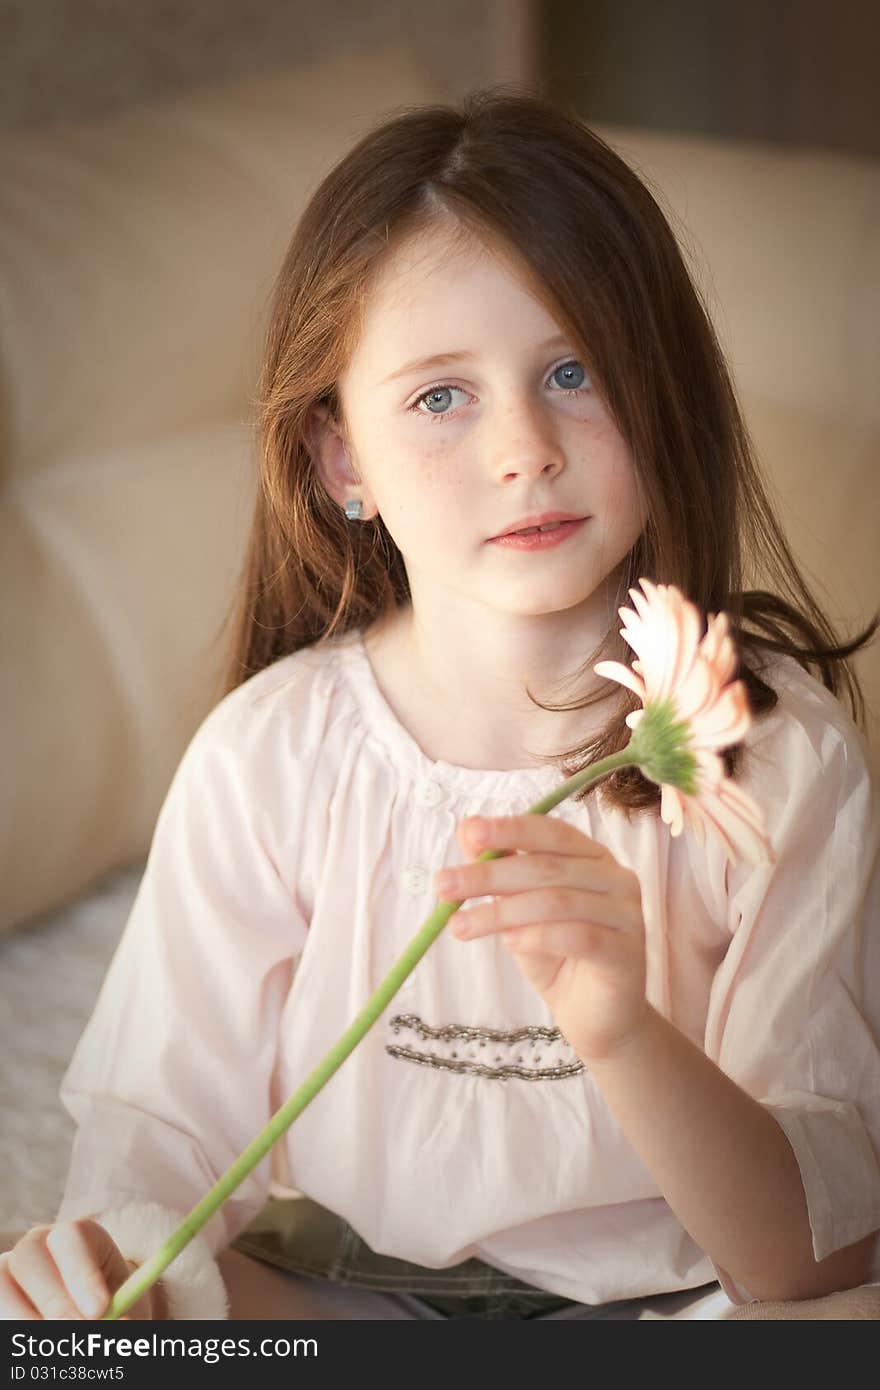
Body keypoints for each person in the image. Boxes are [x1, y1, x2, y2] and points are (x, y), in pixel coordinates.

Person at [2, 85, 879, 1323]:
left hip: (669, 1305)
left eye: (574, 369)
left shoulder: (770, 758)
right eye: (439, 396)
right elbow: (154, 1157)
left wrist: (620, 1027)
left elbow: (810, 1259)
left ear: (664, 389)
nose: (524, 445)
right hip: (332, 1297)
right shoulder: (271, 758)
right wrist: (97, 1280)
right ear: (340, 459)